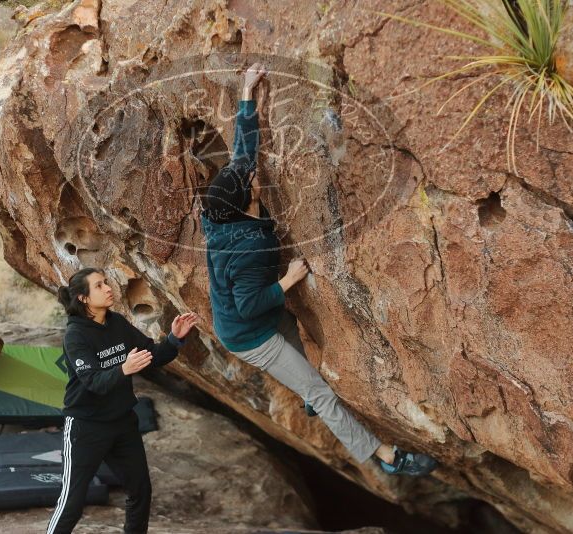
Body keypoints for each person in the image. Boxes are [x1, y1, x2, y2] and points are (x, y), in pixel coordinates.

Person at [200, 63, 437, 476]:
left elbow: (243, 153)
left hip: (254, 310)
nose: (253, 174)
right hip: (248, 333)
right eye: (250, 180)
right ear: (246, 201)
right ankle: (387, 458)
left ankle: (309, 392)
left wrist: (246, 91)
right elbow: (250, 303)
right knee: (322, 392)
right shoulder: (250, 247)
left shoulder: (219, 211)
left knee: (300, 343)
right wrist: (289, 280)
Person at [46, 267, 200, 534]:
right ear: (83, 298)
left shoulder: (116, 322)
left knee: (140, 490)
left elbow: (153, 355)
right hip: (86, 427)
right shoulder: (76, 336)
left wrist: (175, 338)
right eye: (99, 285)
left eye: (106, 282)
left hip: (122, 424)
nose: (108, 288)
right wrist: (123, 369)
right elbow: (93, 381)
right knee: (72, 502)